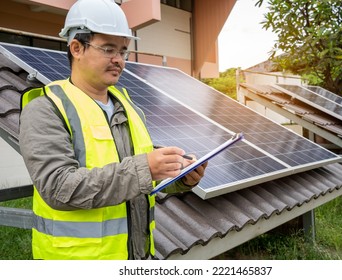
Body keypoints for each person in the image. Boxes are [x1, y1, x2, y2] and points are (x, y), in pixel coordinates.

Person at [19, 0, 207, 260]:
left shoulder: (129, 106)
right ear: (76, 48)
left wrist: (178, 176)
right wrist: (146, 168)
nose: (119, 60)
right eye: (108, 49)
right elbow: (57, 187)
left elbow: (140, 175)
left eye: (123, 51)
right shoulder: (45, 109)